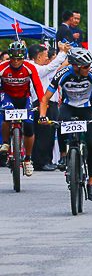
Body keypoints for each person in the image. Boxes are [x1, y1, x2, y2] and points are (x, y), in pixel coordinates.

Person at [38, 48, 92, 201]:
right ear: (76, 66)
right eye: (85, 66)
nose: (88, 68)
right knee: (59, 121)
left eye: (89, 65)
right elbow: (45, 98)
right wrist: (42, 116)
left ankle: (91, 182)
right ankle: (64, 156)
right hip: (68, 106)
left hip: (86, 108)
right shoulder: (63, 73)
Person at [0, 41, 44, 176]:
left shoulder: (30, 67)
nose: (15, 62)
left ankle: (28, 160)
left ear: (23, 58)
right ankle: (6, 143)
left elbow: (38, 87)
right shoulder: (2, 67)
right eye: (12, 58)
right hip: (8, 97)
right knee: (7, 115)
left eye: (19, 59)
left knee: (29, 128)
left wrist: (42, 105)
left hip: (25, 98)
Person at [28, 42, 69, 171]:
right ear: (38, 57)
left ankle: (47, 160)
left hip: (50, 104)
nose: (48, 58)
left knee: (49, 133)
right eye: (46, 55)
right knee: (43, 134)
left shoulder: (41, 68)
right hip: (42, 104)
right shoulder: (34, 68)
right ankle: (40, 163)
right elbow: (53, 66)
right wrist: (63, 53)